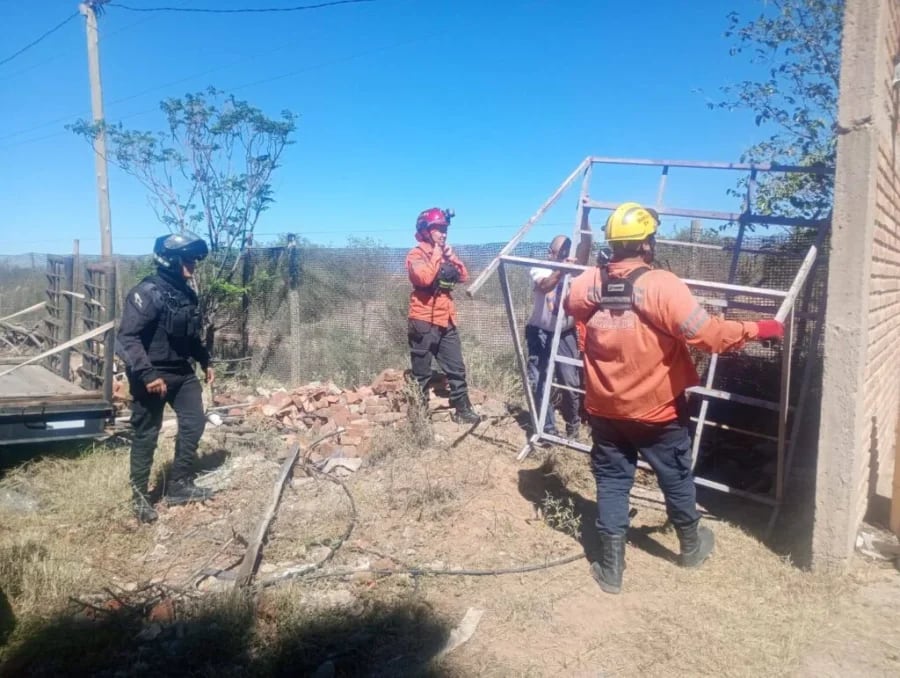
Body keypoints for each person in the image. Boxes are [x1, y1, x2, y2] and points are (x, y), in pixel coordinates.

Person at [565, 202, 785, 594]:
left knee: (613, 480)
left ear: (611, 244)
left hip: (605, 408)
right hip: (656, 410)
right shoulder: (661, 285)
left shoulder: (587, 284)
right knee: (674, 475)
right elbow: (711, 335)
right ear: (647, 244)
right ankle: (690, 545)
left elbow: (573, 306)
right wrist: (761, 327)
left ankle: (611, 567)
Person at [117, 232, 216, 523]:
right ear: (169, 260)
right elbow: (127, 338)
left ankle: (179, 485)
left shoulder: (186, 292)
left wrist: (205, 359)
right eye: (187, 260)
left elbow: (191, 335)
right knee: (147, 435)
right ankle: (139, 497)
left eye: (194, 260)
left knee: (194, 422)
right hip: (152, 375)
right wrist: (147, 375)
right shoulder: (146, 293)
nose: (192, 266)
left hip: (181, 374)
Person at [405, 207, 480, 424]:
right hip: (423, 320)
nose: (443, 233)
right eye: (438, 229)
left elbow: (463, 276)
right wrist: (438, 253)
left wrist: (451, 255)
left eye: (444, 229)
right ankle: (419, 417)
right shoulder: (416, 255)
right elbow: (424, 278)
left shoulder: (444, 254)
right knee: (422, 373)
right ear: (426, 231)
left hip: (446, 318)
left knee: (456, 367)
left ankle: (463, 410)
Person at [526, 205, 593, 439]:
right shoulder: (540, 268)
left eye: (568, 249)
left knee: (570, 381)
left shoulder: (574, 268)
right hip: (540, 331)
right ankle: (547, 431)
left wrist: (585, 216)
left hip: (566, 332)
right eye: (561, 250)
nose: (566, 253)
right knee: (540, 379)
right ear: (551, 252)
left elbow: (587, 246)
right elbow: (545, 287)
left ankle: (573, 428)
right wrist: (563, 269)